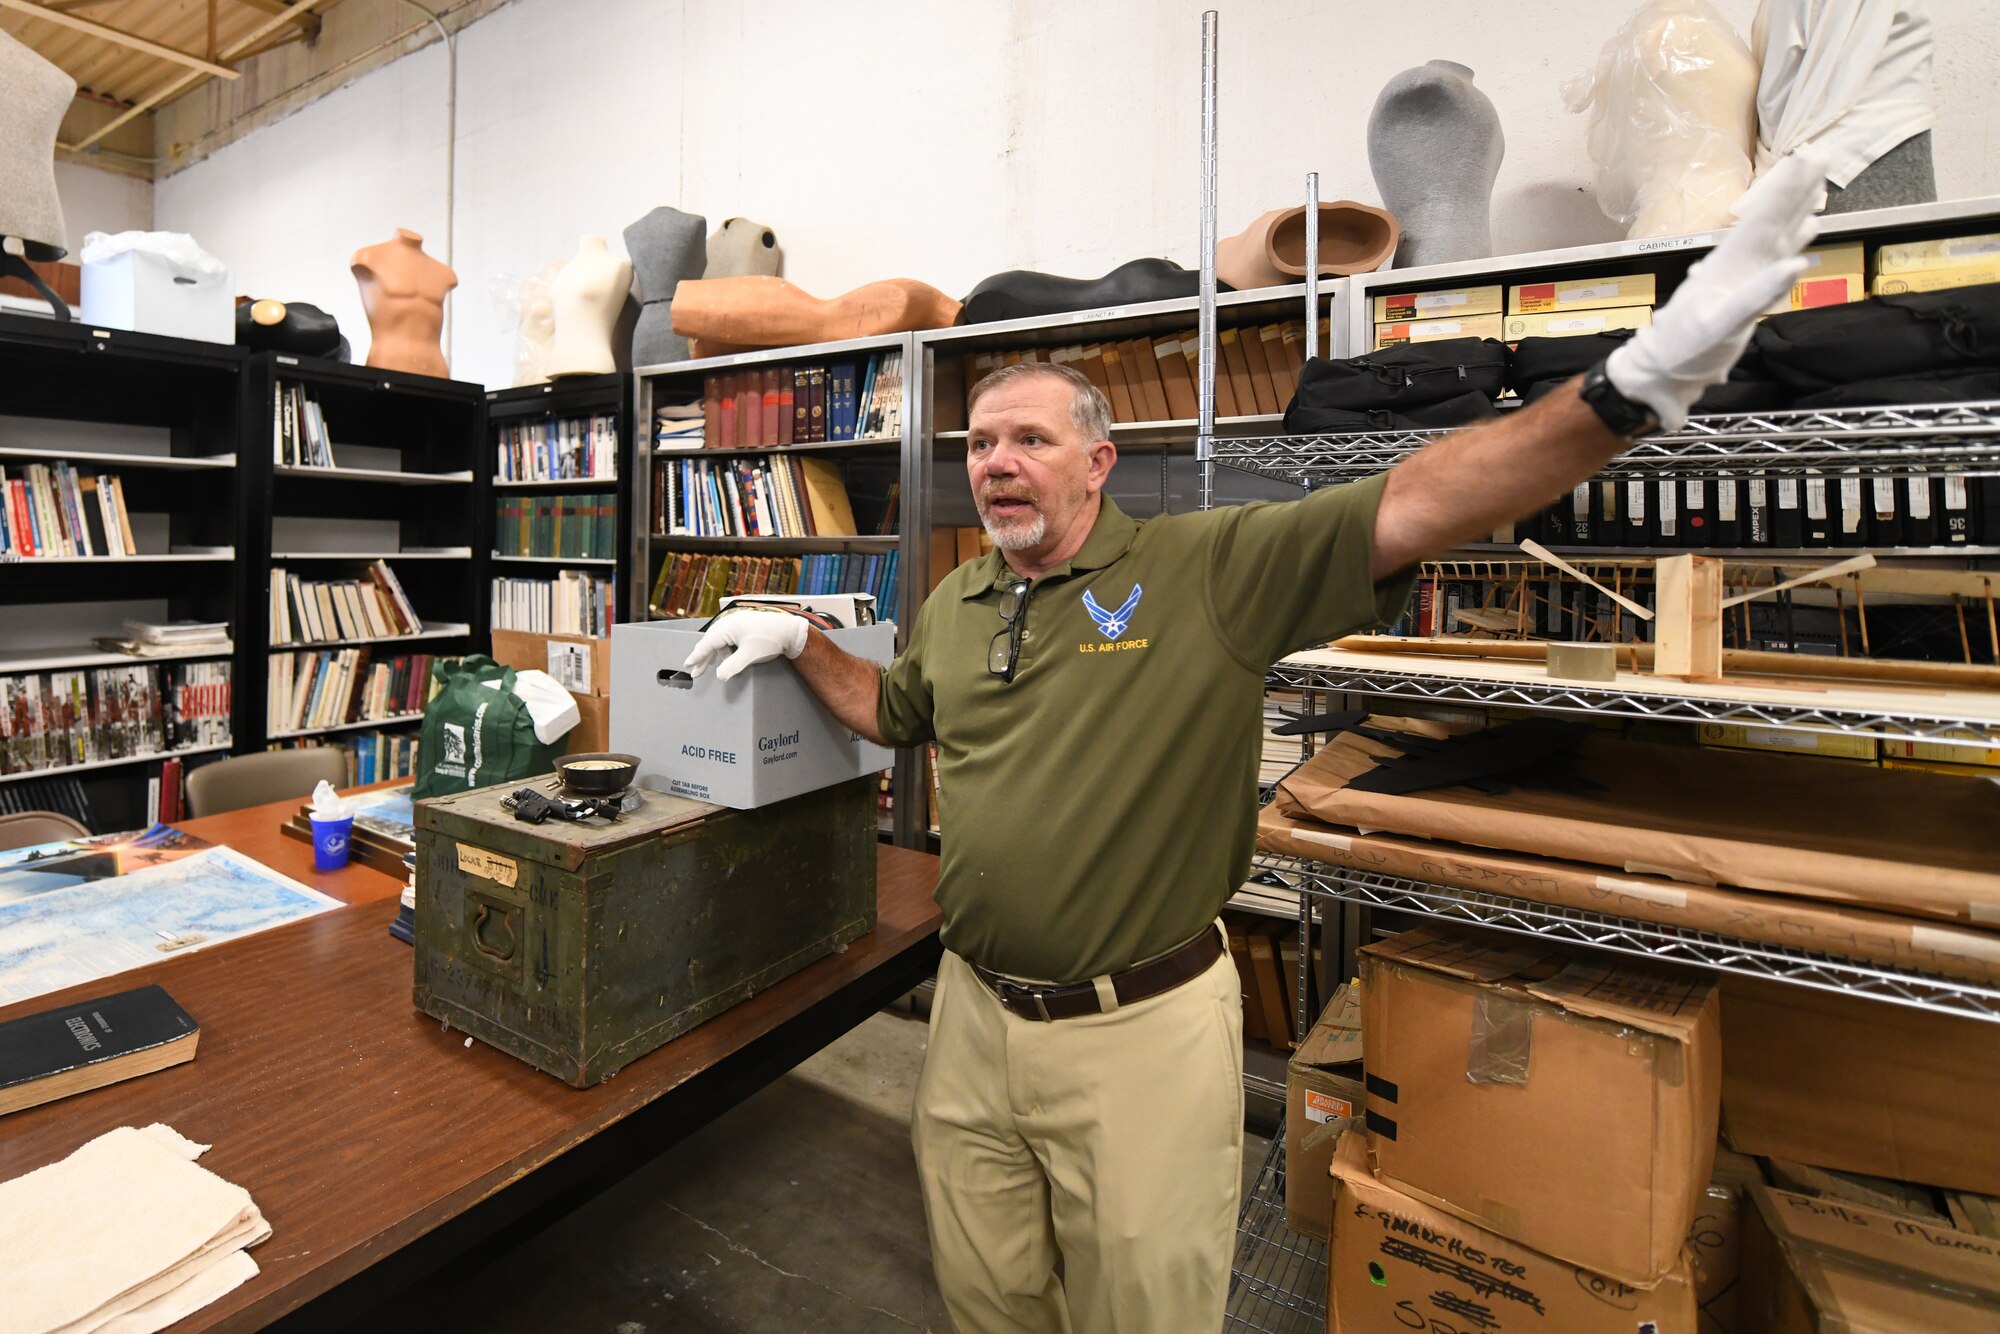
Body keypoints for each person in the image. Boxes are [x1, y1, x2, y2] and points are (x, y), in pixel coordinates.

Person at [683, 153, 1824, 1334]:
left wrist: (1626, 389)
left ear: (1096, 460)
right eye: (977, 444)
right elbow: (893, 714)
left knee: (1142, 1312)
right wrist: (795, 637)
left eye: (1026, 438)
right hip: (971, 1021)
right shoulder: (964, 598)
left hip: (1138, 1035)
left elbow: (1418, 498)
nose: (996, 463)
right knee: (984, 1297)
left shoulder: (1204, 569)